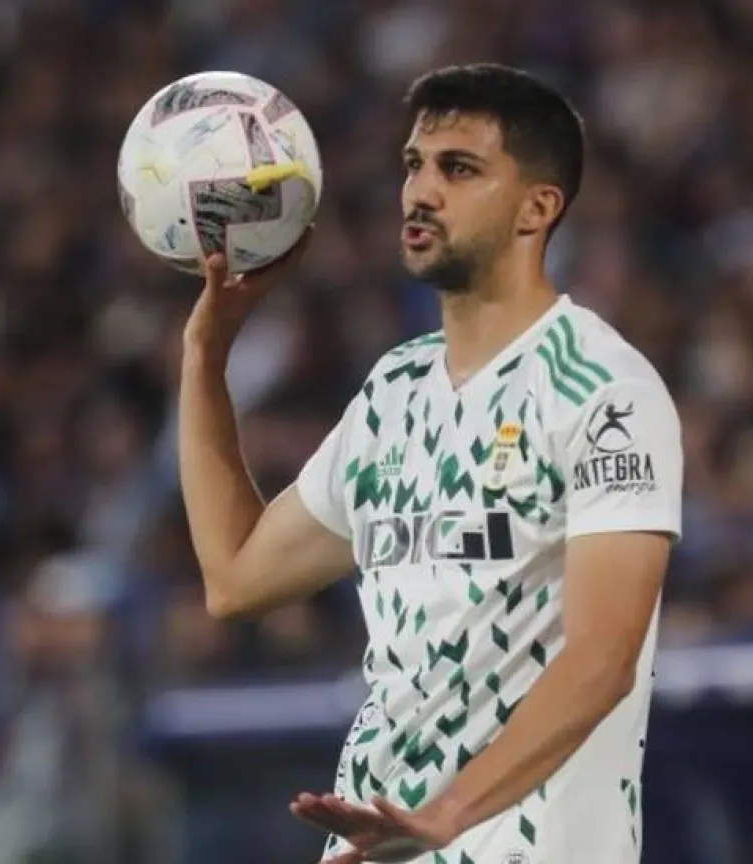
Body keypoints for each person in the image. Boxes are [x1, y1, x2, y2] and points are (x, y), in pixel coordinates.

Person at [177, 63, 682, 863]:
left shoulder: (603, 392)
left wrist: (448, 814)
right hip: (381, 846)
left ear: (538, 208)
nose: (421, 192)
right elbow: (236, 579)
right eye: (414, 165)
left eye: (460, 169)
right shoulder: (395, 390)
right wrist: (206, 356)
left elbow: (602, 659)